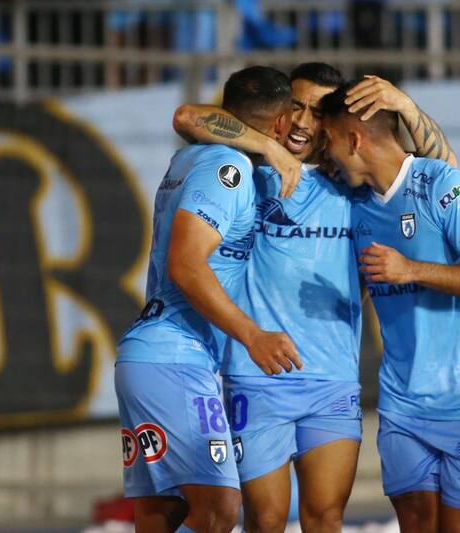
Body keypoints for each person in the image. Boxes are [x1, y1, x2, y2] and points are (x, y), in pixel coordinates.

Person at [172, 63, 458, 533]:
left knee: (326, 517)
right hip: (257, 375)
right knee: (266, 520)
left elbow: (447, 177)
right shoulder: (250, 167)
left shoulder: (353, 180)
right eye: (295, 106)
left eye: (318, 111)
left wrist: (406, 107)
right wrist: (267, 147)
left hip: (332, 379)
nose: (303, 121)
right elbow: (186, 117)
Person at [320, 84, 460, 533]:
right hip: (403, 401)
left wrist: (410, 269)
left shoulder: (444, 185)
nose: (326, 155)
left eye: (328, 141)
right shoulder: (355, 206)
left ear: (354, 140)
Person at [114, 66, 301, 533]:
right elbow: (186, 264)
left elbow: (189, 118)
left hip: (154, 357)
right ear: (281, 123)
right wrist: (252, 335)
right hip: (174, 355)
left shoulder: (193, 158)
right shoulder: (226, 170)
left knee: (165, 513)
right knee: (219, 508)